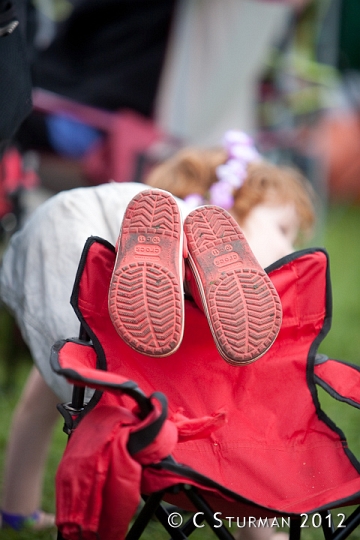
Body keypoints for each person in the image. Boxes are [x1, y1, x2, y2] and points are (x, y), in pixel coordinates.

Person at [0, 131, 315, 532]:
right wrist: (262, 530)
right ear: (234, 209)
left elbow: (32, 409)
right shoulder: (235, 304)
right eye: (284, 229)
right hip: (148, 242)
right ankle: (194, 261)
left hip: (70, 227)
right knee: (217, 408)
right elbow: (243, 447)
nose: (291, 246)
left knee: (76, 370)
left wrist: (18, 510)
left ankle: (15, 510)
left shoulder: (142, 226)